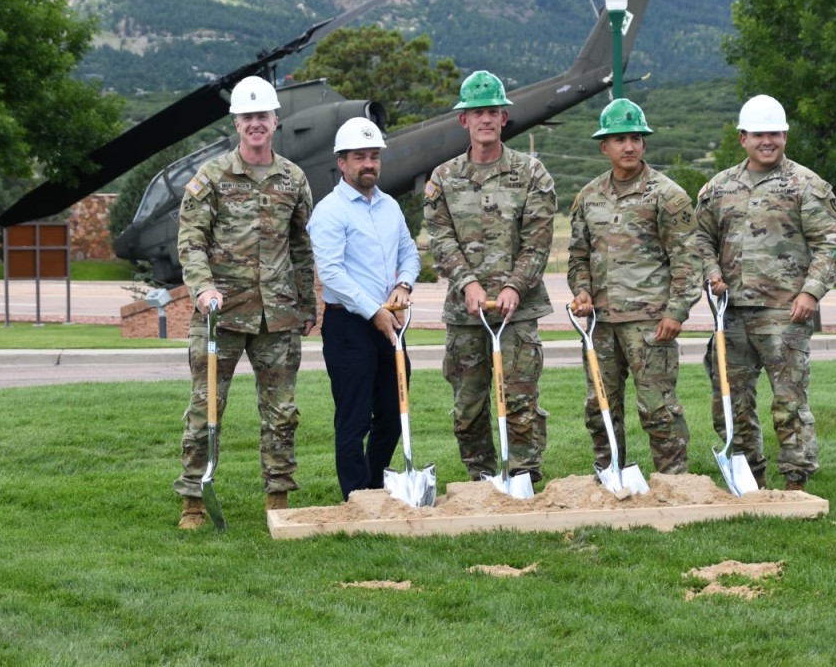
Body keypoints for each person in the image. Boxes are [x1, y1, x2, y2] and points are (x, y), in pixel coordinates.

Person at [174, 75, 317, 529]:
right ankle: (194, 500)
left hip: (277, 316)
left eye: (263, 116)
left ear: (276, 121)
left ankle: (278, 497)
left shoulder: (293, 178)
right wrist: (202, 288)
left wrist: (308, 304)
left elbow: (300, 247)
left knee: (282, 413)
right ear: (237, 123)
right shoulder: (212, 178)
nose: (256, 124)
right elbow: (191, 241)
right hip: (220, 314)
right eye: (248, 117)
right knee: (205, 409)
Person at [694, 94, 836, 492]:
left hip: (784, 314)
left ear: (785, 136)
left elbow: (829, 244)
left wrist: (810, 293)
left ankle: (796, 480)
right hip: (732, 314)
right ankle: (749, 477)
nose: (767, 141)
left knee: (789, 402)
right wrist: (711, 272)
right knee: (730, 402)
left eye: (774, 134)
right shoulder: (719, 187)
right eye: (759, 134)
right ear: (742, 137)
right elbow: (700, 237)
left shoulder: (806, 186)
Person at [424, 70, 556, 484]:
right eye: (477, 112)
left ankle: (523, 475)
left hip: (518, 311)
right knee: (469, 405)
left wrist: (515, 285)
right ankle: (481, 476)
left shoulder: (532, 174)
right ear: (464, 120)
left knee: (520, 400)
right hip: (466, 313)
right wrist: (470, 284)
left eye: (493, 112)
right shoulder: (443, 178)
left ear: (504, 119)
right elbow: (440, 238)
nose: (485, 119)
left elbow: (537, 241)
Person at [567, 99, 699, 474]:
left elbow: (687, 259)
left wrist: (676, 312)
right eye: (620, 139)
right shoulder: (589, 196)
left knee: (658, 408)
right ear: (604, 147)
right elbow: (578, 255)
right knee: (600, 406)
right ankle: (610, 475)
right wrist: (581, 291)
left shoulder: (667, 195)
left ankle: (673, 479)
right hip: (600, 324)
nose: (629, 146)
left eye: (636, 138)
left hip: (650, 323)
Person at [307, 117, 421, 500]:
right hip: (349, 326)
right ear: (342, 162)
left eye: (374, 156)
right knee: (354, 418)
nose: (369, 164)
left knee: (393, 412)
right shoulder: (329, 211)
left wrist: (404, 284)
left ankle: (375, 485)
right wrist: (375, 310)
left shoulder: (389, 206)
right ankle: (356, 497)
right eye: (360, 157)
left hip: (388, 321)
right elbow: (332, 274)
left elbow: (409, 252)